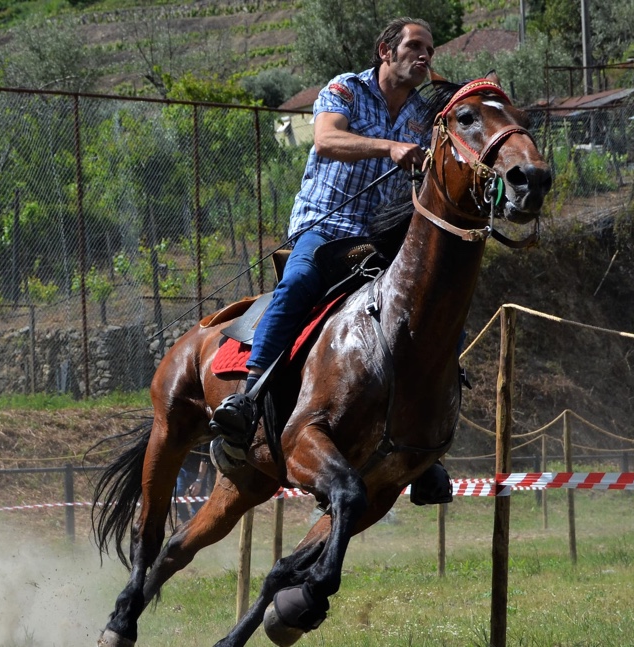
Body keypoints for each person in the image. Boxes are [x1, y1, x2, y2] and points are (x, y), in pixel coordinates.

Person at [210, 17, 452, 505]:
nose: (424, 55)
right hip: (323, 229)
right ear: (385, 51)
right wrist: (389, 147)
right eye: (414, 46)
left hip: (382, 242)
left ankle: (423, 451)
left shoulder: (425, 116)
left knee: (432, 312)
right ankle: (246, 398)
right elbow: (326, 140)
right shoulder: (345, 89)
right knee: (298, 284)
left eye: (429, 48)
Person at [174, 445, 211, 523]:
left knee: (197, 507)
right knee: (177, 493)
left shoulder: (204, 437)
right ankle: (185, 522)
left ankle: (195, 524)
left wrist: (198, 481)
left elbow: (205, 460)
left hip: (198, 473)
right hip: (182, 469)